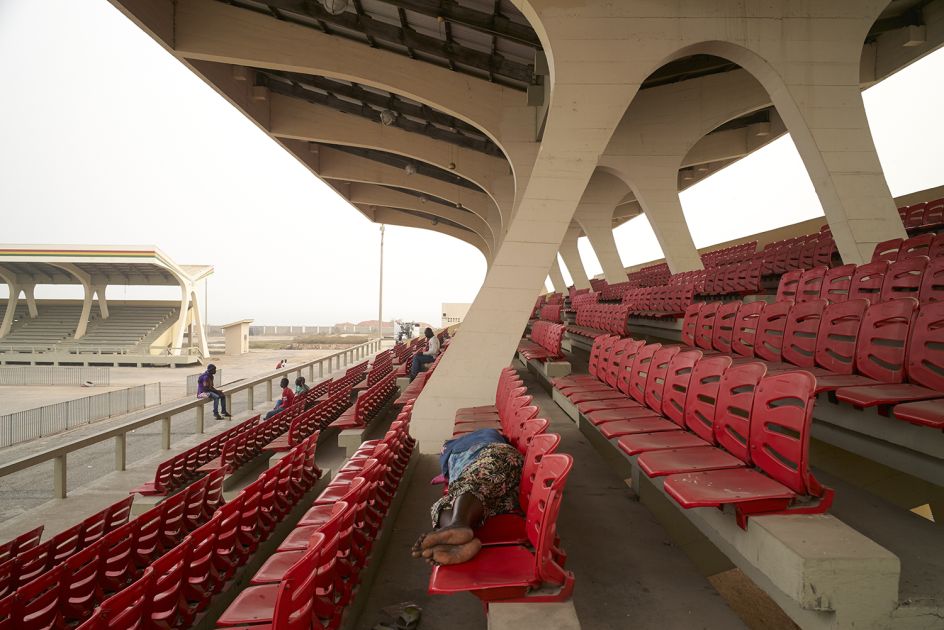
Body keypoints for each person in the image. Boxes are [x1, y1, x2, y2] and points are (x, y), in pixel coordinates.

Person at [412, 428, 523, 566]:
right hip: (504, 494)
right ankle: (458, 542)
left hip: (496, 457)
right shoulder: (477, 438)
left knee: (474, 481)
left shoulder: (482, 437)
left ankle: (456, 525)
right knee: (443, 505)